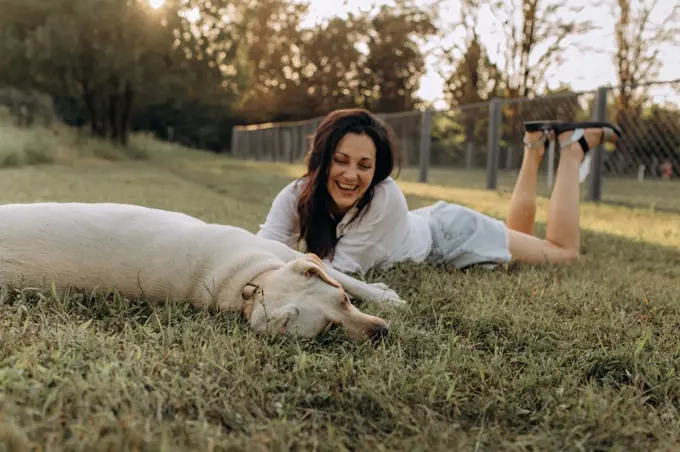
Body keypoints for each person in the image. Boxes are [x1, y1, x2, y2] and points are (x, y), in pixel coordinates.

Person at [256, 108, 622, 275]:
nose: (351, 175)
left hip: (452, 236)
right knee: (522, 240)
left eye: (364, 166)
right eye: (341, 160)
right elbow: (261, 247)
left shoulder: (384, 197)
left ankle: (573, 147)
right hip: (433, 223)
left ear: (377, 169)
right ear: (322, 159)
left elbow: (337, 273)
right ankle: (534, 144)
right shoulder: (296, 194)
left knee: (562, 254)